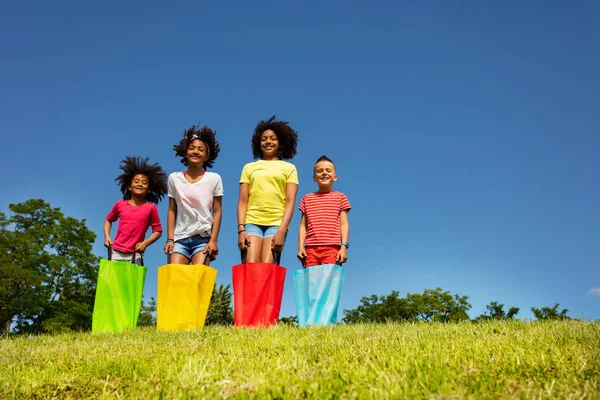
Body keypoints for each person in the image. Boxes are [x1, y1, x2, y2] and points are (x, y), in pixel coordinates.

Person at [237, 116, 299, 263]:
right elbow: (243, 201)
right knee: (250, 265)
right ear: (258, 143)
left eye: (273, 138)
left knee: (267, 266)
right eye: (264, 139)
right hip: (252, 221)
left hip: (276, 223)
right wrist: (241, 229)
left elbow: (290, 202)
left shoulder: (289, 168)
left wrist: (282, 230)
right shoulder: (249, 167)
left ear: (280, 142)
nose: (268, 142)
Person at [164, 125, 223, 265]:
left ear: (207, 156)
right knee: (176, 279)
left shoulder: (214, 178)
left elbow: (217, 211)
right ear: (185, 153)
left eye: (201, 149)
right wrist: (170, 239)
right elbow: (172, 210)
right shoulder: (174, 178)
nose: (196, 151)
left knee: (199, 281)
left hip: (203, 238)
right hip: (179, 238)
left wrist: (213, 240)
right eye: (192, 148)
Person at [104, 156, 168, 265]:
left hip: (136, 253)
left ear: (149, 190)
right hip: (115, 252)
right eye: (136, 181)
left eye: (144, 182)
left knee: (134, 282)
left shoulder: (151, 208)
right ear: (129, 186)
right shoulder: (120, 204)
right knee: (114, 282)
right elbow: (108, 220)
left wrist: (145, 243)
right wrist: (107, 236)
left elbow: (158, 231)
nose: (140, 184)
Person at [297, 155, 351, 267]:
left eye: (328, 170)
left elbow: (344, 224)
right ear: (314, 178)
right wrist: (301, 247)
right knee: (312, 282)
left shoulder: (341, 197)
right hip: (310, 249)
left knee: (330, 282)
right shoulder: (307, 198)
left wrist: (344, 246)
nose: (324, 173)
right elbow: (303, 226)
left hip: (332, 248)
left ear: (335, 177)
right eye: (319, 171)